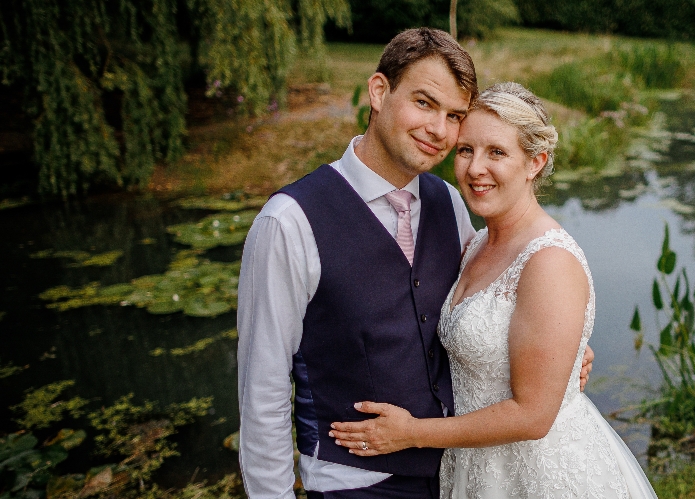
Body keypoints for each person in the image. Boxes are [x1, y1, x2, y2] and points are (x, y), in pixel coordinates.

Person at [237, 29, 593, 499]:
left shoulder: (449, 201)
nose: (439, 131)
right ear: (379, 92)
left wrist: (562, 354)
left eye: (454, 116)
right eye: (424, 103)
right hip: (355, 482)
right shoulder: (289, 222)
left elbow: (492, 301)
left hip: (460, 474)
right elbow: (261, 394)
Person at [328, 82, 658, 498]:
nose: (474, 168)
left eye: (497, 153)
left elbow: (533, 416)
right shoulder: (477, 243)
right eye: (466, 150)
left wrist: (411, 433)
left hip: (537, 472)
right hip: (476, 466)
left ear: (534, 162)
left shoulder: (548, 261)